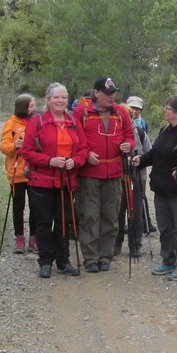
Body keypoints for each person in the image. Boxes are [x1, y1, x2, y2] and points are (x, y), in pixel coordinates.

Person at [21, 83, 88, 278]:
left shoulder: (73, 121)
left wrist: (75, 161)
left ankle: (63, 260)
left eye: (64, 97)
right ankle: (45, 261)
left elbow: (83, 149)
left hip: (66, 181)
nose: (61, 101)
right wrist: (50, 161)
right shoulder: (38, 121)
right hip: (42, 180)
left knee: (64, 222)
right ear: (48, 100)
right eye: (56, 97)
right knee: (43, 222)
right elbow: (27, 152)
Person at [133, 96, 177, 281]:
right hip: (161, 187)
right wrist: (141, 160)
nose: (165, 110)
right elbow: (155, 154)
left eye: (168, 108)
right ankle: (168, 260)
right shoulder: (165, 130)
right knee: (164, 226)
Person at [73, 76, 134, 273]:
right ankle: (90, 257)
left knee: (110, 216)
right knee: (90, 216)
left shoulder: (121, 113)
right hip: (90, 174)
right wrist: (85, 153)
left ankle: (105, 256)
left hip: (115, 173)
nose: (112, 97)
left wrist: (129, 146)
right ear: (96, 93)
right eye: (107, 93)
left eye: (113, 93)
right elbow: (74, 138)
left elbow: (129, 136)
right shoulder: (81, 112)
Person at [0, 93, 37, 254]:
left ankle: (34, 238)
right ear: (23, 107)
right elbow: (4, 147)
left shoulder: (37, 121)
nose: (34, 108)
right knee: (18, 206)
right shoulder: (11, 123)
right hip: (17, 171)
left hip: (35, 171)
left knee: (36, 206)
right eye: (31, 106)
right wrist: (15, 145)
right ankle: (19, 237)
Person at [121, 96, 154, 254]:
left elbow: (150, 155)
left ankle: (135, 245)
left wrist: (139, 161)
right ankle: (115, 243)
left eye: (136, 109)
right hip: (118, 178)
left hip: (137, 177)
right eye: (130, 109)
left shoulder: (140, 132)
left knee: (136, 212)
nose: (133, 112)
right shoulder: (115, 130)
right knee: (117, 212)